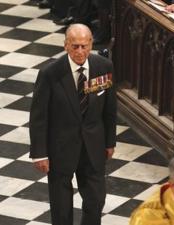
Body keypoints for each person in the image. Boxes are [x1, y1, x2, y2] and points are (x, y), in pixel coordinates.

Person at [29, 23, 117, 225]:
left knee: (96, 202)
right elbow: (38, 117)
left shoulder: (104, 67)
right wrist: (40, 153)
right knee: (61, 209)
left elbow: (110, 109)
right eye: (75, 46)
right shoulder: (50, 74)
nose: (80, 51)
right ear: (65, 45)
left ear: (91, 44)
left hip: (93, 147)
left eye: (84, 46)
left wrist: (109, 142)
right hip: (60, 149)